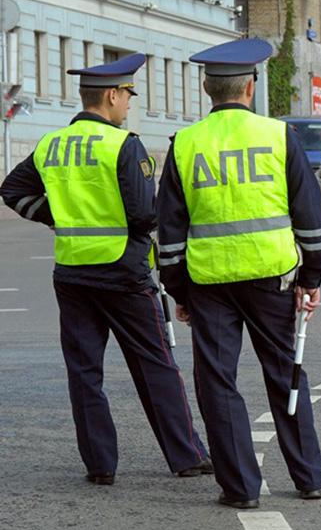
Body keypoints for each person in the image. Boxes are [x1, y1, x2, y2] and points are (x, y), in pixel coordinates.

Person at [0, 54, 211, 485]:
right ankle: (186, 455)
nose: (129, 105)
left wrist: (55, 218)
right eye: (128, 96)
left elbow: (12, 190)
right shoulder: (123, 144)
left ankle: (100, 465)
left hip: (73, 271)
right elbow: (143, 214)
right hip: (124, 272)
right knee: (155, 364)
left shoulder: (51, 144)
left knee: (84, 371)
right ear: (113, 95)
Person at [155, 38, 321, 509]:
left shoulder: (185, 144)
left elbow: (170, 231)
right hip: (272, 278)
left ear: (206, 87)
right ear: (251, 87)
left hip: (209, 284)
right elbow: (310, 218)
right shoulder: (279, 137)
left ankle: (240, 489)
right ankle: (310, 477)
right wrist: (311, 278)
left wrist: (178, 291)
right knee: (285, 373)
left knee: (218, 383)